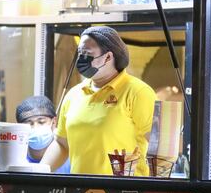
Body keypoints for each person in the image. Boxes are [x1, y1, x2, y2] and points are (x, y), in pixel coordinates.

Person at [42, 26, 156, 176]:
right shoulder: (74, 94)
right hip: (79, 189)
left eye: (87, 54)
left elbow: (158, 147)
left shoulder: (138, 92)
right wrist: (38, 170)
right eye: (80, 53)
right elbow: (62, 143)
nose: (81, 58)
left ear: (108, 57)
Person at [15, 95, 70, 173]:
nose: (35, 127)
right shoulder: (15, 159)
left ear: (54, 122)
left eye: (41, 122)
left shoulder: (67, 158)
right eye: (29, 124)